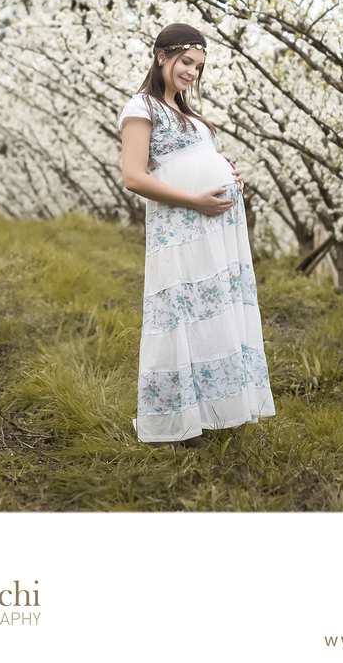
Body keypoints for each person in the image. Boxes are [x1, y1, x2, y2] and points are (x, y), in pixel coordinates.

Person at [118, 23, 275, 451]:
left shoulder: (189, 114)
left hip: (214, 226)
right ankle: (177, 423)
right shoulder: (142, 107)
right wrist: (194, 199)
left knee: (215, 311)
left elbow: (200, 158)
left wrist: (229, 174)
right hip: (183, 225)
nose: (192, 72)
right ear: (161, 55)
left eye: (199, 66)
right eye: (186, 62)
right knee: (181, 313)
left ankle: (215, 411)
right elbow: (133, 176)